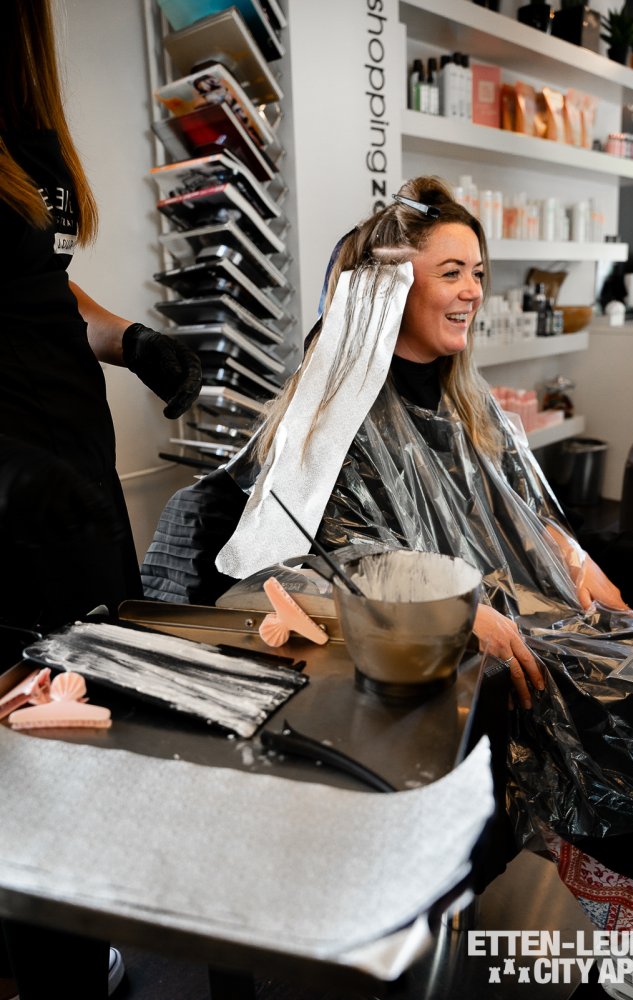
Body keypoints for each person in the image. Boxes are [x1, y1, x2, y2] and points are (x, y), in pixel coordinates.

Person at [145, 176, 633, 986]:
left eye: (478, 272)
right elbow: (328, 559)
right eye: (452, 271)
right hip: (454, 642)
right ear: (389, 285)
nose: (473, 291)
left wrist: (572, 553)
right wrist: (453, 611)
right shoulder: (337, 420)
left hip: (535, 609)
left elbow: (522, 511)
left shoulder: (465, 399)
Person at [0, 0, 202, 997]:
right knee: (25, 754)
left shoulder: (20, 110)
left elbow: (42, 293)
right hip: (11, 499)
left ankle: (80, 941)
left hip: (71, 476)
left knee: (86, 714)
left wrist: (133, 340)